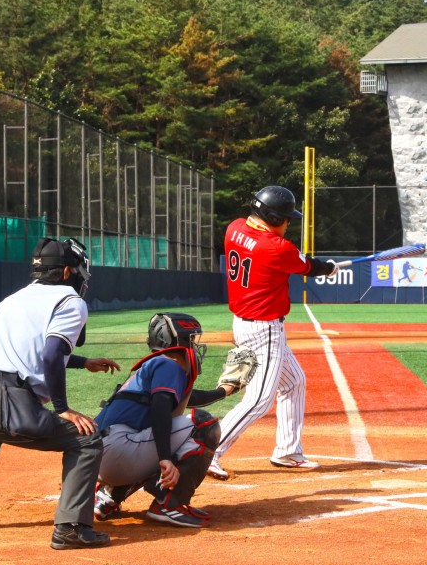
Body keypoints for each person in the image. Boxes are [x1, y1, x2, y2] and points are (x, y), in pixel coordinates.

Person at [0, 237, 120, 550]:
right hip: (0, 398)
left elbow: (26, 352)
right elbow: (48, 356)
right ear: (65, 273)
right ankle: (70, 528)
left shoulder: (14, 298)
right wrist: (62, 408)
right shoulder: (70, 301)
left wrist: (83, 362)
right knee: (87, 438)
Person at [207, 185, 338, 480]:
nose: (288, 223)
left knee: (294, 383)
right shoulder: (276, 248)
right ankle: (207, 450)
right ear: (272, 216)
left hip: (245, 322)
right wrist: (328, 268)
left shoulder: (235, 228)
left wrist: (322, 266)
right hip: (263, 328)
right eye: (286, 217)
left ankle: (287, 451)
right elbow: (309, 266)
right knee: (259, 400)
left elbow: (299, 262)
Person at [93, 313, 237, 528]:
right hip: (118, 453)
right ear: (177, 340)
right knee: (203, 426)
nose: (195, 345)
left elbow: (185, 398)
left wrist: (224, 391)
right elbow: (161, 409)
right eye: (191, 338)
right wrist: (164, 458)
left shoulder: (155, 366)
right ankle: (170, 505)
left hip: (97, 458)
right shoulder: (169, 365)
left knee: (160, 433)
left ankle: (109, 495)